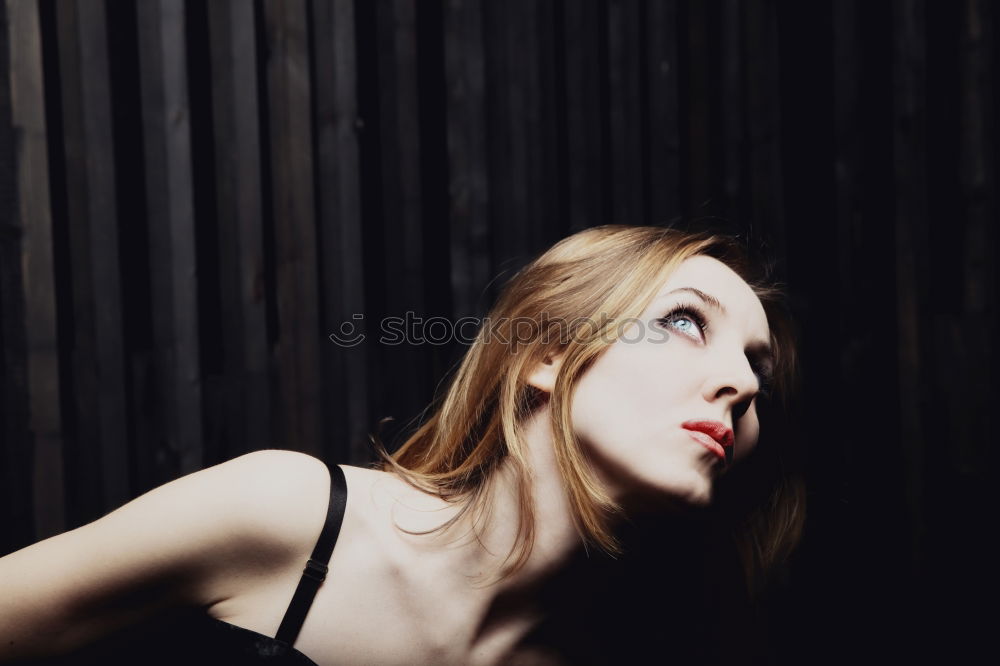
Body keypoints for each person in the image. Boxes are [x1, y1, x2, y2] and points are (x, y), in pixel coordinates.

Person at [0, 225, 804, 665]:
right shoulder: (290, 517)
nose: (738, 382)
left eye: (758, 373)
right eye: (683, 321)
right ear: (544, 357)